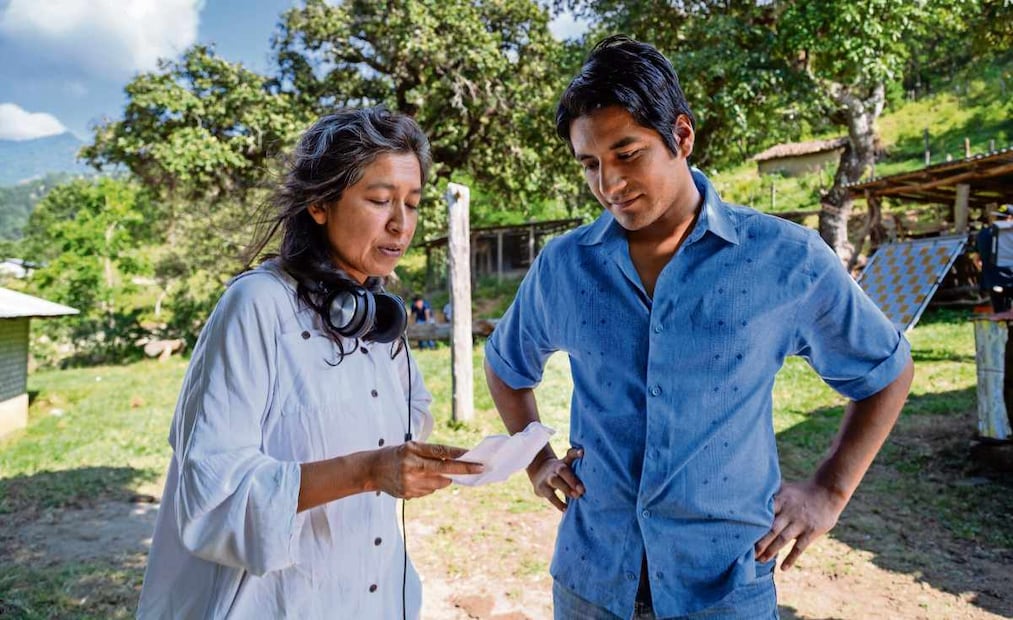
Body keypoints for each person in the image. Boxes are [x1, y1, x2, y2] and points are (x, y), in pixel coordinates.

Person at [484, 36, 914, 619]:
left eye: (627, 154)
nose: (608, 184)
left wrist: (829, 492)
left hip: (723, 591)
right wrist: (536, 458)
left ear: (681, 138)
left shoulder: (786, 260)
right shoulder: (565, 266)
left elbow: (886, 370)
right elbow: (506, 365)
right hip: (591, 583)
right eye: (590, 164)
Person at [137, 107, 482, 619]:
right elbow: (212, 493)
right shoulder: (256, 306)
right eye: (380, 200)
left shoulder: (377, 314)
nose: (400, 224)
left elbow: (408, 421)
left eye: (412, 204)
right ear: (320, 203)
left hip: (373, 596)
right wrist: (368, 471)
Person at [975, 204, 1013, 312]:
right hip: (1010, 278)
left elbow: (976, 259)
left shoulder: (983, 233)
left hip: (992, 281)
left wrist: (986, 272)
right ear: (1010, 218)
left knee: (1000, 313)